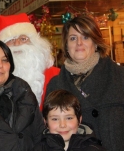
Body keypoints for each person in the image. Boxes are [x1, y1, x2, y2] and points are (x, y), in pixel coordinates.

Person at [45, 15, 124, 151]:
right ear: (66, 45)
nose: (79, 43)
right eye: (73, 38)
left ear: (96, 43)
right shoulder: (55, 84)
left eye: (85, 37)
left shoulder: (120, 77)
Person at [0, 13, 60, 111]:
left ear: (35, 43)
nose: (17, 44)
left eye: (23, 39)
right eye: (11, 40)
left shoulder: (56, 75)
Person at [33, 89, 105, 151]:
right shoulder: (38, 148)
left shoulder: (94, 148)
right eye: (55, 119)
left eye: (69, 118)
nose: (62, 125)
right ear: (46, 122)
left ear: (79, 120)